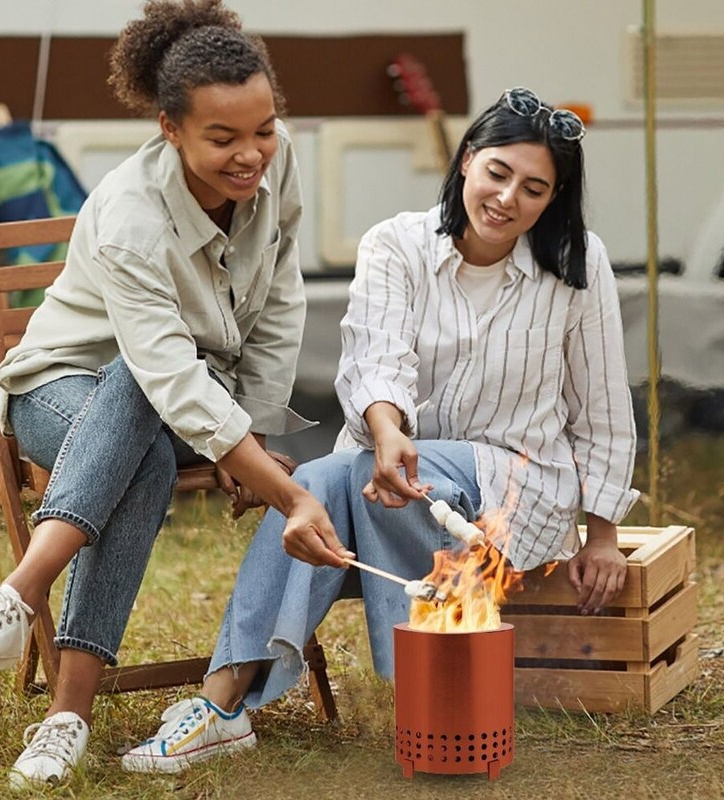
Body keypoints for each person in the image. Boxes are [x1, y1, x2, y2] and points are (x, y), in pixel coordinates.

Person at [119, 86, 640, 775]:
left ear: (555, 199)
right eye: (498, 172)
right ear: (465, 163)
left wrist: (602, 533)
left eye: (535, 188)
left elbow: (601, 402)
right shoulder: (397, 245)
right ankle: (228, 708)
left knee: (328, 480)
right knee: (326, 479)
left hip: (517, 494)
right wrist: (388, 430)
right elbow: (375, 358)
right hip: (390, 480)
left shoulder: (579, 264)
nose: (509, 198)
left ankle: (270, 703)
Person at [0, 0, 351, 789]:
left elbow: (284, 295)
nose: (250, 154)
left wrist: (251, 430)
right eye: (221, 138)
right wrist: (287, 489)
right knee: (139, 391)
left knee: (149, 433)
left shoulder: (274, 156)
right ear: (169, 128)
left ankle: (24, 610)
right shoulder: (129, 213)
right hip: (60, 389)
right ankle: (62, 704)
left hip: (187, 394)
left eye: (262, 129)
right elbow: (163, 373)